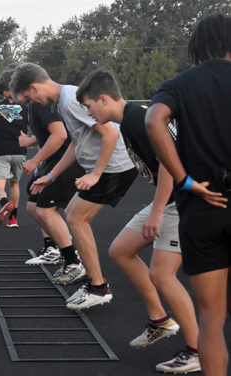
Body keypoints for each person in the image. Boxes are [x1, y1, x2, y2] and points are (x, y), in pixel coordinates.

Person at [78, 68, 200, 373]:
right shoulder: (130, 120)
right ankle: (160, 320)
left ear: (103, 99)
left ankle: (198, 350)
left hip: (181, 202)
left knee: (162, 274)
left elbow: (170, 167)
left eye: (89, 107)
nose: (89, 115)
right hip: (168, 198)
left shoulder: (136, 121)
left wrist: (157, 211)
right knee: (120, 250)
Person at [10, 63, 138, 310]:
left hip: (115, 166)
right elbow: (75, 144)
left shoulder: (69, 99)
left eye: (28, 97)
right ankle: (95, 284)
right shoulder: (63, 100)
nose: (31, 102)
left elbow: (111, 134)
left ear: (34, 87)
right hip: (107, 166)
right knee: (73, 215)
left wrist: (96, 173)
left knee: (76, 218)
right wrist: (52, 177)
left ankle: (98, 287)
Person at [146, 14, 231, 376]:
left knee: (211, 318)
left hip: (203, 207)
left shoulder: (180, 83)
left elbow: (154, 121)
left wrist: (184, 180)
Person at [4, 70, 86, 284]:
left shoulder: (43, 103)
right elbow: (50, 133)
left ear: (32, 89)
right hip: (55, 160)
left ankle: (73, 261)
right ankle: (56, 249)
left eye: (23, 97)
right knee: (33, 205)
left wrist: (35, 161)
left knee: (47, 209)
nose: (22, 102)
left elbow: (60, 135)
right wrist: (32, 142)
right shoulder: (36, 103)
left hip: (66, 160)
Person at [0, 70, 29, 228]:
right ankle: (13, 219)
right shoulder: (26, 109)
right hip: (19, 150)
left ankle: (4, 203)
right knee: (14, 184)